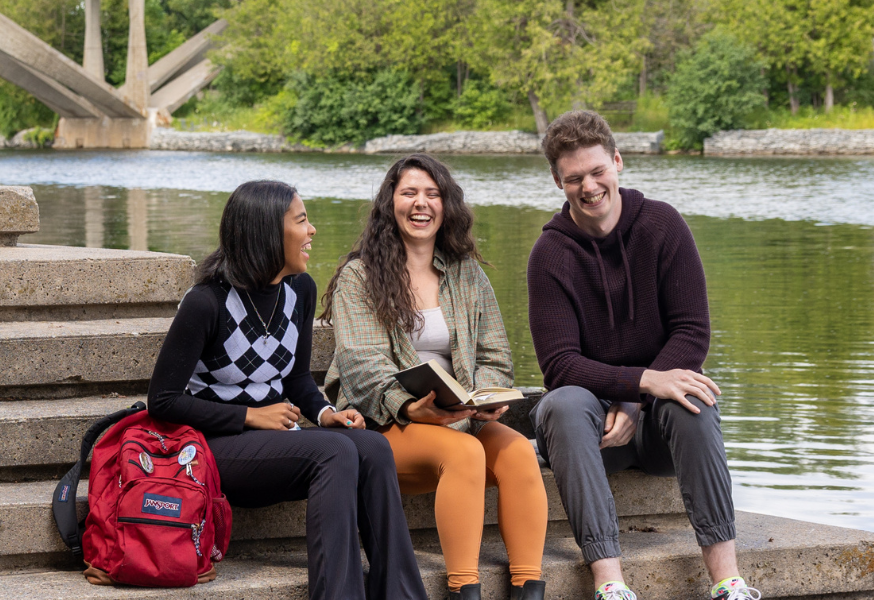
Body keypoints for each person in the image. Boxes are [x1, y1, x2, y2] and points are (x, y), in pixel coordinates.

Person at [147, 180, 426, 600]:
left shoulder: (300, 291)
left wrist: (327, 413)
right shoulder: (206, 302)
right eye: (301, 221)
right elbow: (163, 402)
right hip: (214, 448)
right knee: (334, 450)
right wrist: (248, 416)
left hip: (277, 445)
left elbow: (295, 379)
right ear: (267, 233)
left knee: (369, 445)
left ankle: (401, 595)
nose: (312, 230)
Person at [525, 111, 756, 600]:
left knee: (693, 397)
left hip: (657, 434)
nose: (589, 187)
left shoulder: (662, 225)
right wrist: (645, 383)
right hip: (588, 433)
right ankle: (611, 585)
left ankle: (727, 581)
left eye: (597, 171)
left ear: (617, 161)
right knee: (564, 403)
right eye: (574, 178)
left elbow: (692, 333)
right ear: (557, 180)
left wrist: (634, 401)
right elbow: (560, 365)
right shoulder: (550, 254)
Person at [323, 154, 547, 600]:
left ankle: (529, 590)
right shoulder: (359, 276)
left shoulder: (467, 273)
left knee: (520, 451)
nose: (420, 203)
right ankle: (464, 590)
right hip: (387, 426)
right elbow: (362, 365)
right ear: (391, 203)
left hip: (460, 417)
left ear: (447, 205)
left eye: (432, 194)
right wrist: (408, 406)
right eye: (409, 193)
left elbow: (494, 352)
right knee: (464, 451)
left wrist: (485, 394)